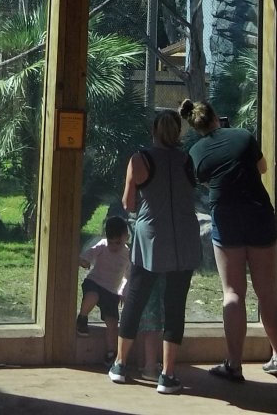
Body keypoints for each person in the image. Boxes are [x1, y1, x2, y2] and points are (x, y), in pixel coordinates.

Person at [182, 98, 277, 380]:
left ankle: (234, 364)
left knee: (233, 293)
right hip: (258, 213)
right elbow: (262, 168)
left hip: (226, 218)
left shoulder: (196, 152)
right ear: (217, 116)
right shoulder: (243, 136)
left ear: (195, 127)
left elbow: (204, 181)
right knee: (268, 291)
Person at [108, 109, 202, 395]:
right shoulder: (189, 160)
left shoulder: (140, 159)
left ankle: (120, 365)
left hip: (151, 239)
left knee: (135, 299)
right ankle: (168, 374)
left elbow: (129, 204)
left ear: (153, 131)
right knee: (175, 306)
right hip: (184, 238)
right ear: (178, 133)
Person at [77, 214, 130, 349]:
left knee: (112, 323)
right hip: (94, 282)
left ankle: (111, 352)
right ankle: (82, 318)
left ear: (126, 236)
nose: (113, 246)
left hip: (111, 291)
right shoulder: (102, 245)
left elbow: (127, 276)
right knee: (92, 296)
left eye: (118, 242)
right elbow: (88, 255)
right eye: (110, 242)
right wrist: (84, 261)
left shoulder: (128, 254)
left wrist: (123, 291)